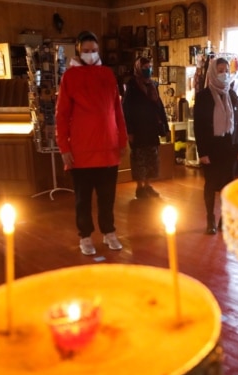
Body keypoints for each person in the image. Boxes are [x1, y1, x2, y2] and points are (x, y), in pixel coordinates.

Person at [55, 30, 128, 256]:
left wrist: (122, 140)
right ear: (78, 51)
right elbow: (61, 116)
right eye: (86, 51)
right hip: (82, 151)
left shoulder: (107, 74)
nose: (90, 54)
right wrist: (64, 148)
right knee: (82, 200)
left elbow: (117, 111)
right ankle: (85, 236)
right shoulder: (69, 77)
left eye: (94, 50)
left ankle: (109, 232)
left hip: (108, 149)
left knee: (107, 197)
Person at [193, 57, 238, 235]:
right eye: (220, 70)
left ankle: (224, 218)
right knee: (211, 184)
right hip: (212, 148)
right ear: (213, 73)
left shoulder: (231, 94)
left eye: (226, 70)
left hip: (229, 147)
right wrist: (203, 152)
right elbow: (199, 127)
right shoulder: (203, 97)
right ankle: (210, 219)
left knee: (227, 185)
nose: (224, 74)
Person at [122, 57, 168, 199]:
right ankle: (140, 187)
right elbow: (127, 110)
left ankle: (148, 185)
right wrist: (129, 131)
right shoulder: (132, 86)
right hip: (138, 129)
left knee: (151, 159)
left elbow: (159, 107)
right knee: (139, 159)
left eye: (149, 66)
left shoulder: (153, 85)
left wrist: (164, 126)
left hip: (151, 129)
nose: (147, 69)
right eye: (144, 67)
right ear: (138, 69)